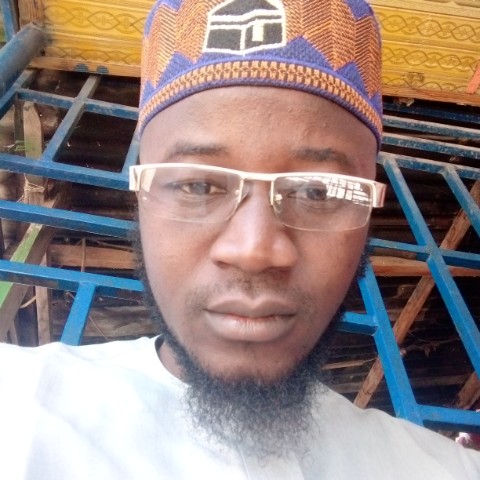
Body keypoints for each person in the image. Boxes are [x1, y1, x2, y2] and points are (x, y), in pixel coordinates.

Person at [1, 0, 479, 478]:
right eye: (197, 185)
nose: (254, 251)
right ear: (140, 200)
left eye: (317, 191)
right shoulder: (19, 406)